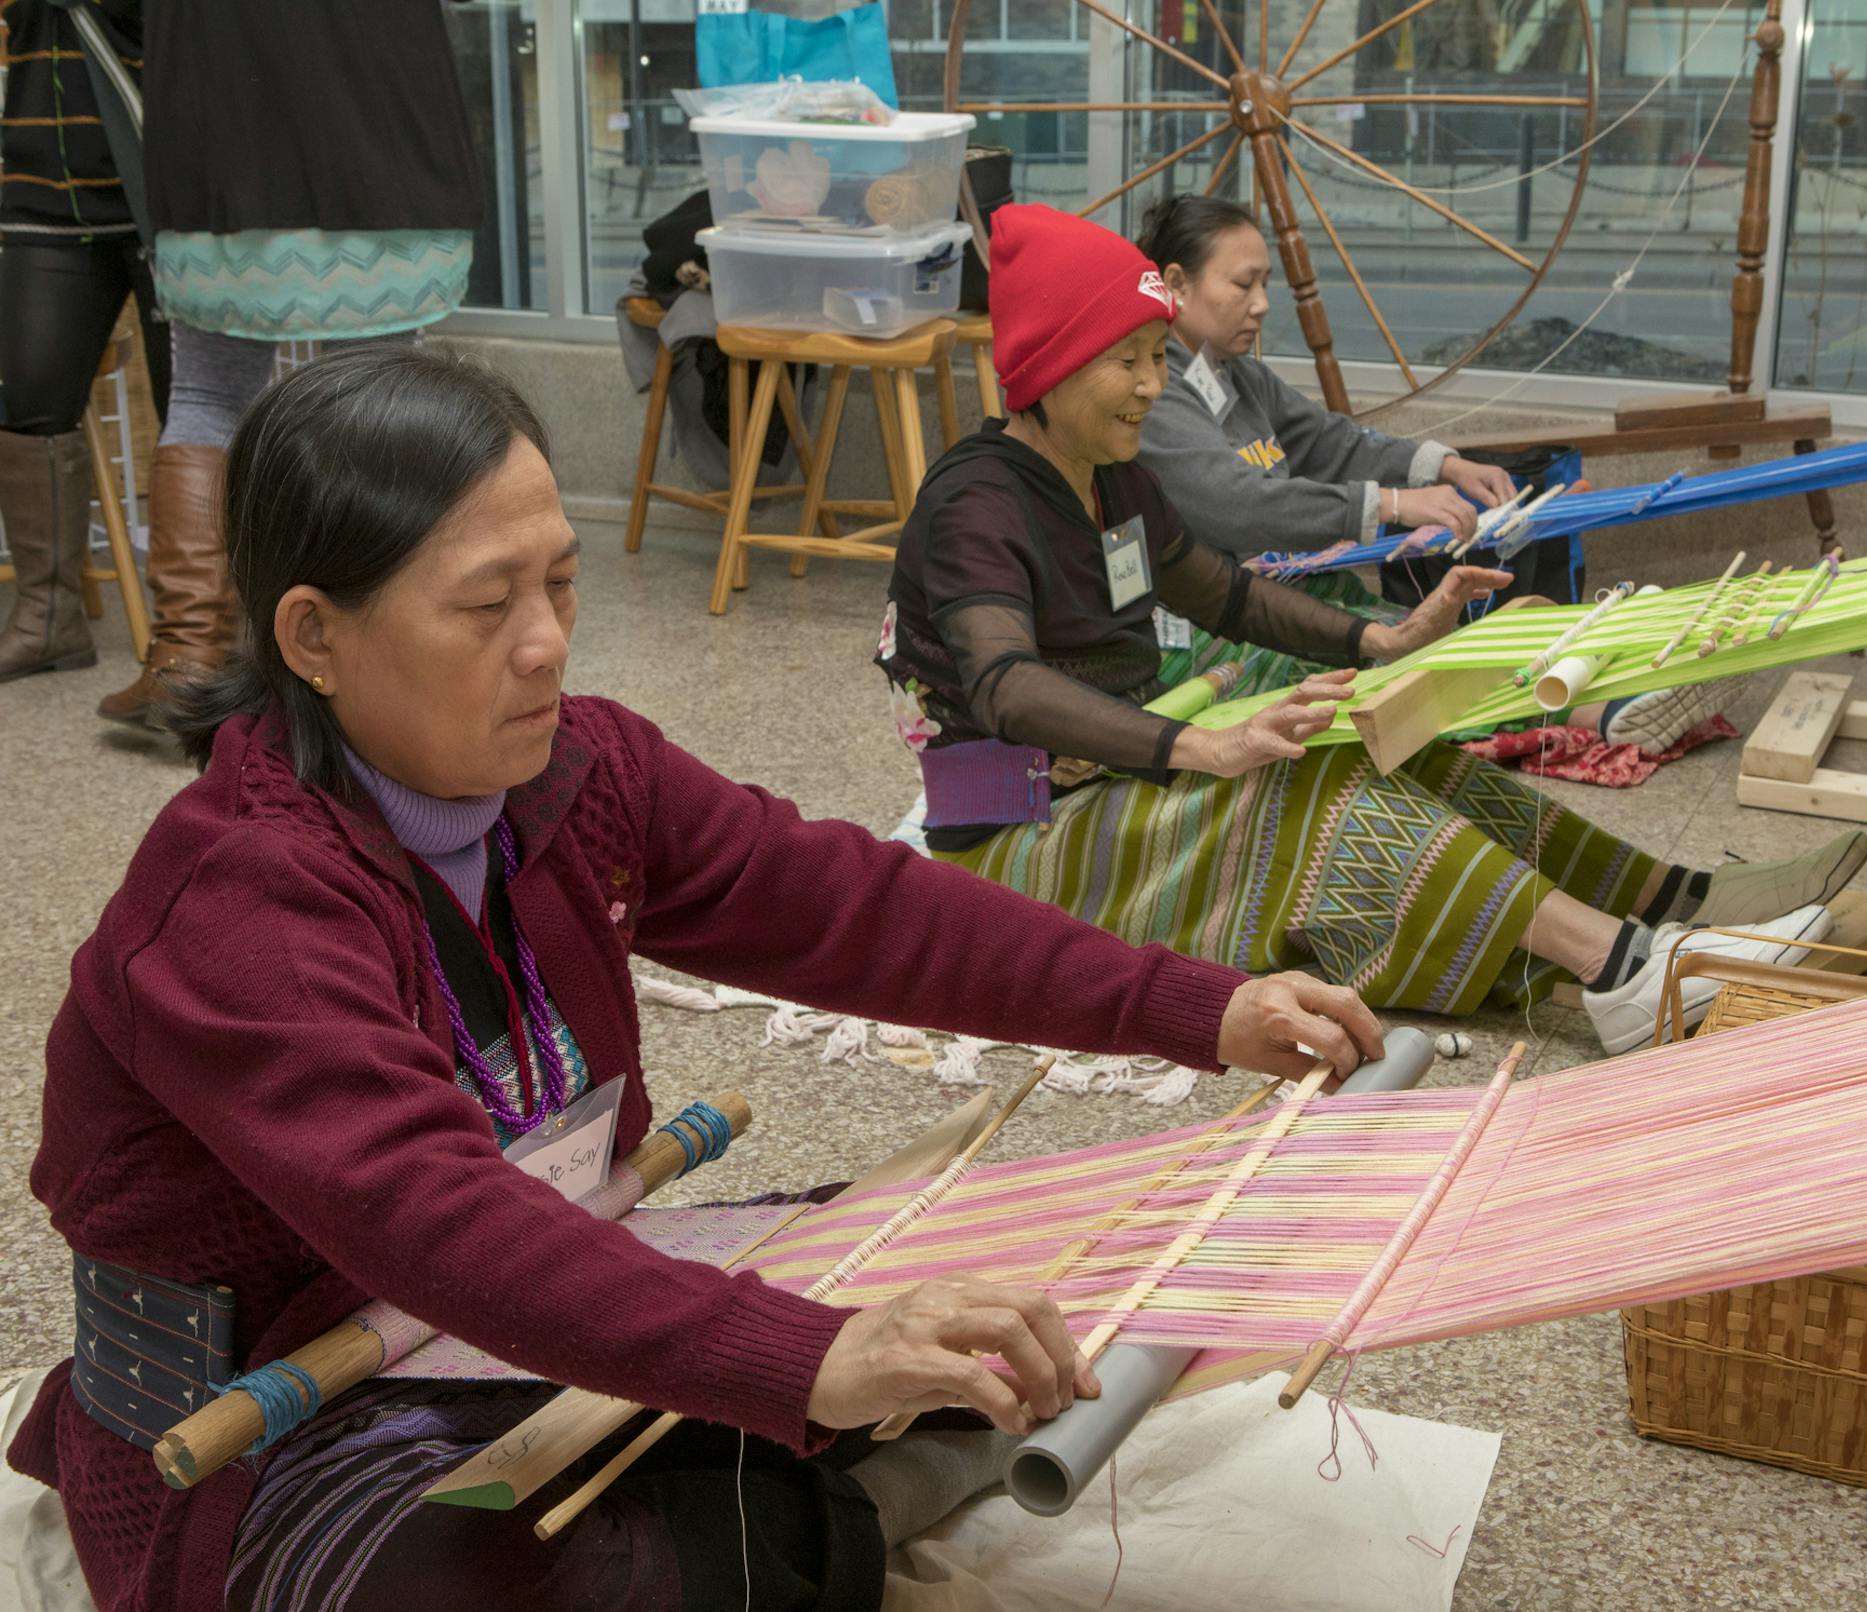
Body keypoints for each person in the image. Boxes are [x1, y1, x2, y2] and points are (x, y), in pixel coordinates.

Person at [5, 347, 1388, 1612]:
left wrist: (1193, 1006)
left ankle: (796, 1498)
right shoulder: (236, 905)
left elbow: (855, 910)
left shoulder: (576, 773)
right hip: (289, 1407)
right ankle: (801, 1499)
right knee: (566, 1582)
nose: (545, 641)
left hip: (537, 1300)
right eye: (486, 605)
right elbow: (432, 1219)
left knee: (992, 1331)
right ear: (314, 639)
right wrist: (810, 1365)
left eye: (558, 582)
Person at [877, 204, 1867, 1057]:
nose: (1151, 383)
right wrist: (1201, 745)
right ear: (1049, 369)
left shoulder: (1113, 477)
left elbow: (1222, 592)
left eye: (1153, 357)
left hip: (1117, 779)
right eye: (1129, 362)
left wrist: (1379, 646)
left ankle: (1675, 901)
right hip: (1024, 838)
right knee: (1320, 800)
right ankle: (1620, 971)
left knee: (1395, 754)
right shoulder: (979, 505)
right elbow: (1004, 685)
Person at [1131, 193, 1739, 755]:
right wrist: (1395, 504)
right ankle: (1604, 708)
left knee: (1451, 630)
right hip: (1214, 626)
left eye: (1265, 283)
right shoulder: (1152, 388)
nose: (1262, 303)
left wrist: (1443, 465)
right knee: (1399, 664)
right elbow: (1234, 503)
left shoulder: (1233, 372)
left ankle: (1619, 679)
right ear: (1177, 285)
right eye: (1244, 284)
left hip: (1285, 590)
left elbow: (1326, 441)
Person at [94, 0, 486, 727]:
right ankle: (372, 659)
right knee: (374, 398)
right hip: (381, 138)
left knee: (207, 394)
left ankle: (185, 659)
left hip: (222, 144)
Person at [0, 0, 170, 683]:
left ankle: (225, 626)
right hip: (43, 195)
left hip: (172, 185)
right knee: (27, 402)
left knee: (201, 406)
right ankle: (47, 620)